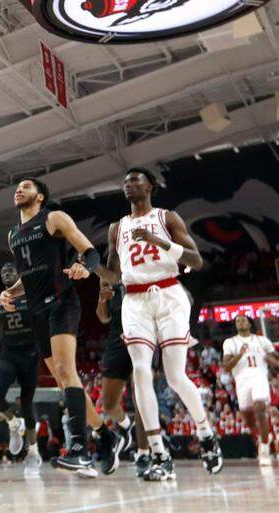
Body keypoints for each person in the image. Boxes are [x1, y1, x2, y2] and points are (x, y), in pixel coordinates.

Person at [100, 168, 222, 481]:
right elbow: (115, 273)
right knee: (140, 370)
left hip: (168, 293)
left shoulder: (168, 218)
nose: (129, 184)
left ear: (150, 186)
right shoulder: (117, 228)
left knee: (175, 377)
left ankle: (206, 433)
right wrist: (91, 271)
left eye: (135, 179)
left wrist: (159, 241)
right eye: (125, 181)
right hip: (134, 300)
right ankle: (158, 452)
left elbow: (196, 261)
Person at [1, 178, 116, 477]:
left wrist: (84, 267)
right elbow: (27, 278)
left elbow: (90, 252)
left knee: (67, 372)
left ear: (40, 196)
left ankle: (79, 448)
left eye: (26, 186)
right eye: (17, 187)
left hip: (62, 302)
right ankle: (106, 435)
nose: (19, 189)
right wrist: (9, 293)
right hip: (37, 312)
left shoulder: (53, 218)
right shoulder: (12, 234)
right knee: (65, 382)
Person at [0, 262, 43, 474]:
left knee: (27, 405)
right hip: (9, 354)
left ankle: (34, 451)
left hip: (31, 355)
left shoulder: (31, 294)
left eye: (10, 270)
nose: (6, 273)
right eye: (2, 271)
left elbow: (42, 323)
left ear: (19, 274)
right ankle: (12, 423)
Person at [95, 283, 150, 478]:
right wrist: (102, 299)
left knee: (140, 399)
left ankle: (144, 454)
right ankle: (127, 427)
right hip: (117, 337)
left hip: (143, 333)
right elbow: (103, 317)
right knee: (109, 405)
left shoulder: (138, 263)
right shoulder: (106, 272)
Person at [222, 314, 279, 466]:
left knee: (260, 408)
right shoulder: (230, 342)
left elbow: (278, 360)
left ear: (249, 324)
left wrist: (272, 361)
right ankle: (263, 437)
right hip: (241, 382)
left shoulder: (262, 340)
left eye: (243, 320)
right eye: (237, 321)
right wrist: (240, 354)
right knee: (248, 420)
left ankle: (265, 448)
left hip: (259, 377)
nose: (240, 322)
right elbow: (226, 367)